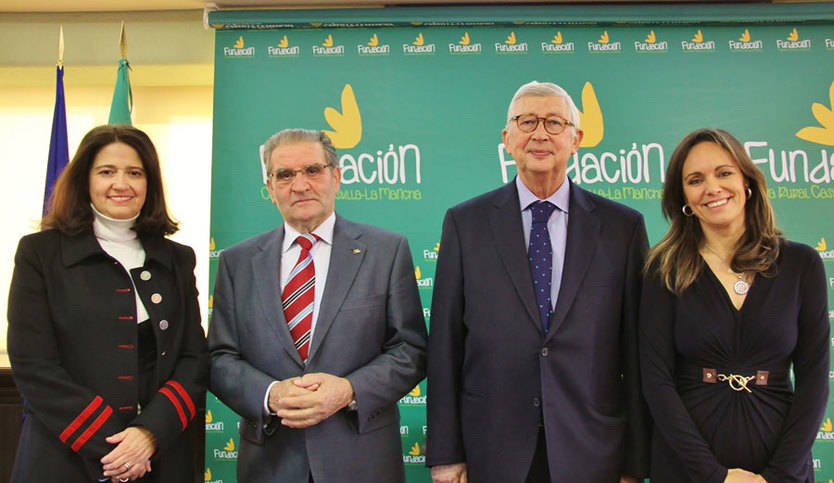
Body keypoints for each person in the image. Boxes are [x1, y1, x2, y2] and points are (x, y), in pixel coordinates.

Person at [426, 81, 650, 483]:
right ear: (507, 138)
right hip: (492, 448)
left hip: (593, 449)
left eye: (553, 122)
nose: (540, 134)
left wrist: (635, 463)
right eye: (527, 121)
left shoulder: (622, 228)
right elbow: (445, 345)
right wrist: (445, 454)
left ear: (576, 139)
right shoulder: (465, 223)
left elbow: (636, 352)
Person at [208, 128, 428, 483]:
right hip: (271, 464)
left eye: (313, 170)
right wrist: (270, 395)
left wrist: (348, 390)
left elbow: (411, 350)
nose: (300, 185)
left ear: (336, 176)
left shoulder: (386, 251)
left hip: (362, 462)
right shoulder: (237, 262)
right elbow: (219, 358)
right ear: (270, 188)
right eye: (285, 175)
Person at [7, 125, 209, 482]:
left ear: (150, 183)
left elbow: (193, 358)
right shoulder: (39, 253)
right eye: (106, 172)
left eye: (135, 173)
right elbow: (32, 363)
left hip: (159, 456)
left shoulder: (177, 259)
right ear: (85, 180)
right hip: (64, 457)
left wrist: (148, 434)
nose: (121, 183)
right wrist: (116, 449)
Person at [639, 128, 829, 483]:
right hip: (687, 470)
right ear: (683, 197)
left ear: (747, 182)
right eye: (695, 180)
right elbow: (656, 381)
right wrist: (714, 476)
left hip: (781, 469)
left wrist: (778, 476)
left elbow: (815, 380)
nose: (712, 188)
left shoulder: (801, 265)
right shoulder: (663, 270)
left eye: (724, 173)